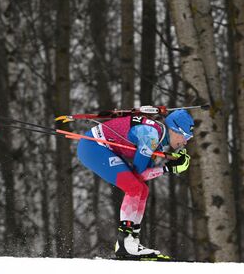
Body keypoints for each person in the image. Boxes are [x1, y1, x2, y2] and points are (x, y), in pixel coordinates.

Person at [76, 109, 194, 260]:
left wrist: (167, 167)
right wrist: (168, 168)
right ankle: (125, 242)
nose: (185, 142)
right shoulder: (151, 135)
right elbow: (139, 174)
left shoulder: (157, 140)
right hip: (93, 147)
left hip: (105, 148)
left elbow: (142, 176)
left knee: (142, 190)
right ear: (174, 129)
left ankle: (131, 241)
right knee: (134, 187)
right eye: (185, 136)